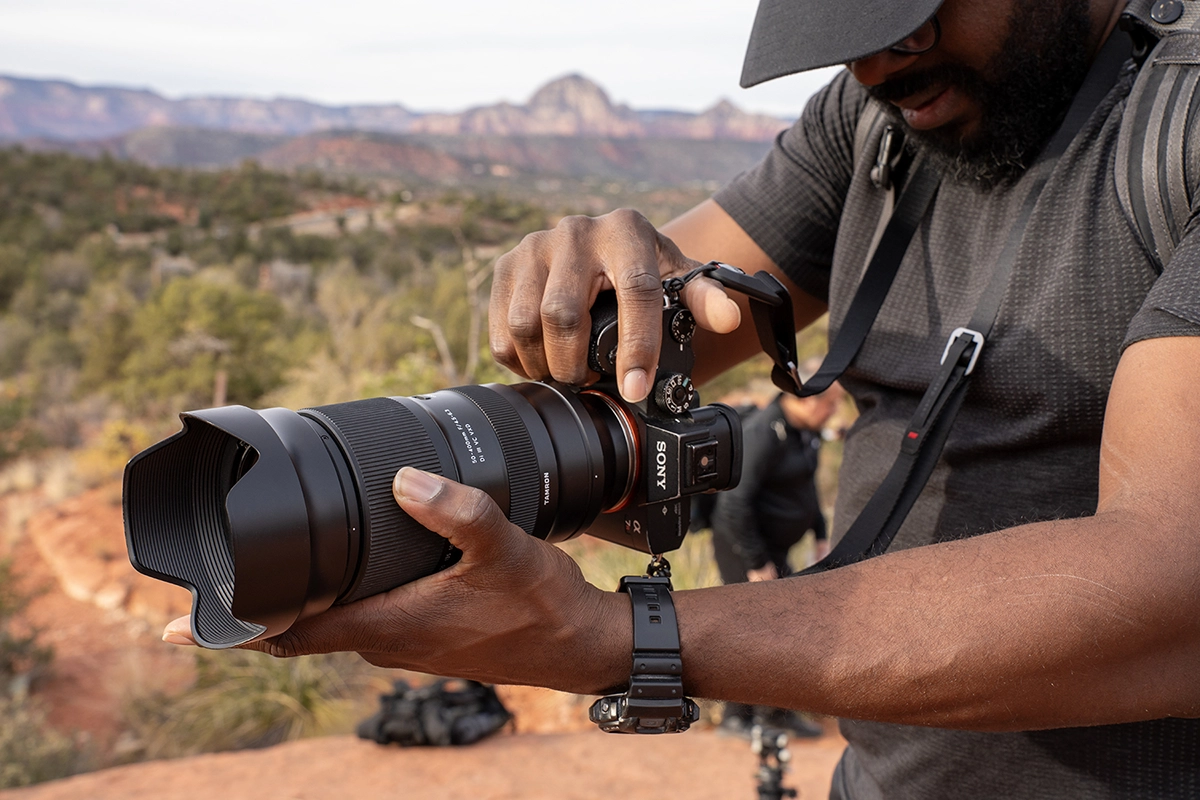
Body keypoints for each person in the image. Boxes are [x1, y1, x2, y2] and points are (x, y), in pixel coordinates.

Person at [163, 0, 1200, 796]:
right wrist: (589, 292)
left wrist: (619, 639)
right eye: (851, 30)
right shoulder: (872, 125)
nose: (887, 61)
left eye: (913, 14)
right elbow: (637, 378)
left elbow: (1172, 590)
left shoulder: (1176, 124)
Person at [711, 381, 842, 739]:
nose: (835, 412)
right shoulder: (763, 433)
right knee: (745, 630)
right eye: (831, 404)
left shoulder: (804, 432)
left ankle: (775, 714)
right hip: (743, 548)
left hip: (776, 549)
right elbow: (733, 504)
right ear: (807, 399)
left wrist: (820, 533)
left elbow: (807, 488)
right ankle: (735, 718)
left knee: (784, 626)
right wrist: (755, 562)